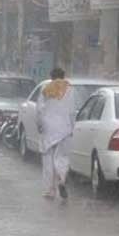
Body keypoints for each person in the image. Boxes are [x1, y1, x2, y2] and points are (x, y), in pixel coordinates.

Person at [36, 67, 76, 200]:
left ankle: (50, 190)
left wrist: (40, 125)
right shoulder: (70, 90)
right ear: (63, 76)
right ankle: (62, 179)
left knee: (48, 159)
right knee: (62, 157)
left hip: (49, 129)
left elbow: (40, 109)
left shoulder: (46, 89)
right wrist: (72, 127)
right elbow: (72, 111)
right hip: (64, 128)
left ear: (51, 76)